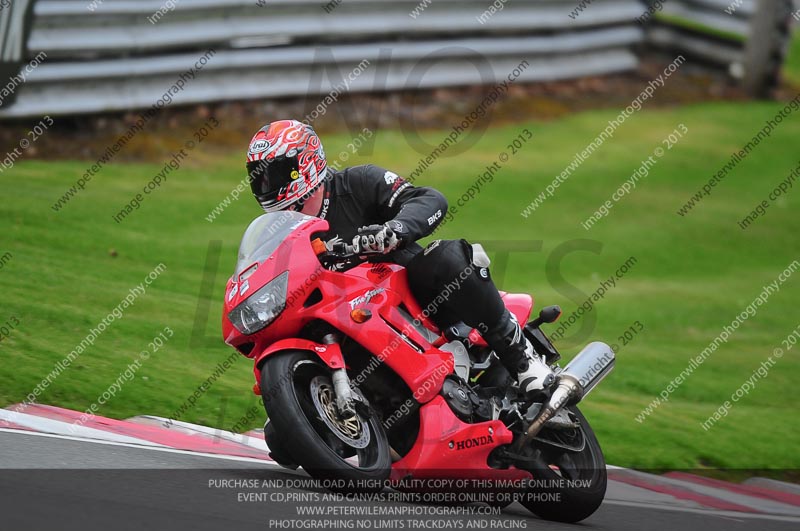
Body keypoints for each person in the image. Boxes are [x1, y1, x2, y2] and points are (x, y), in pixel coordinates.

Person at [246, 119, 554, 396]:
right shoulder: (279, 233)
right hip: (349, 323)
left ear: (305, 164)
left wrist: (395, 229)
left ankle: (523, 361)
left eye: (273, 174)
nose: (266, 186)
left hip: (418, 304)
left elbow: (430, 199)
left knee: (446, 256)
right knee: (279, 437)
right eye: (258, 178)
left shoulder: (358, 183)